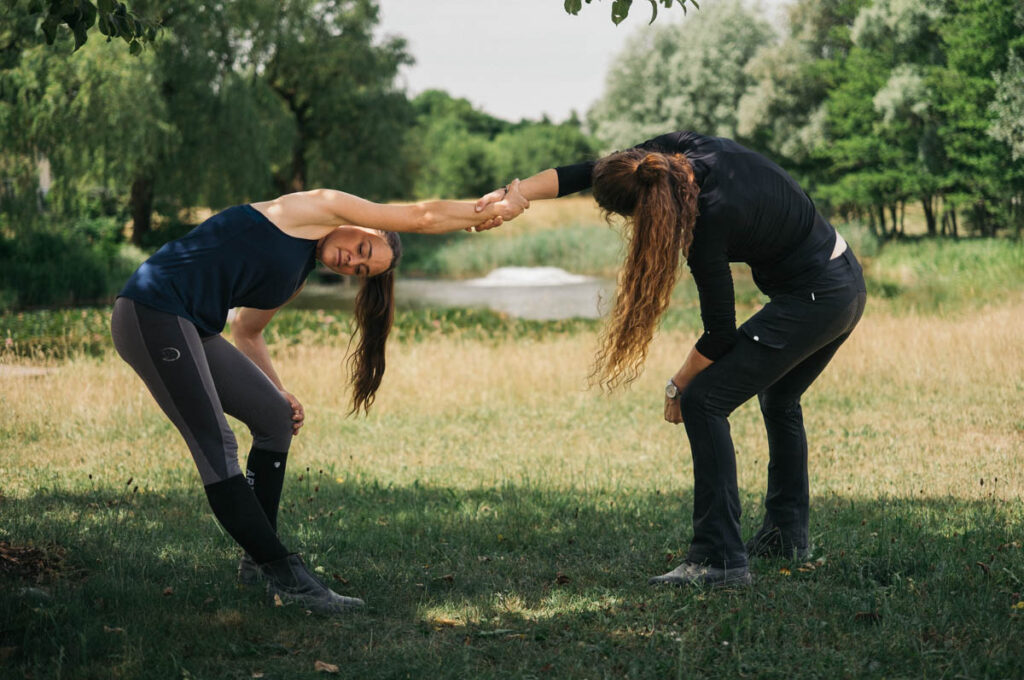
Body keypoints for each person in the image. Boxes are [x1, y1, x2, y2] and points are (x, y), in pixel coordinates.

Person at [110, 183, 529, 613]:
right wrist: (488, 212)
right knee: (217, 447)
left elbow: (247, 330)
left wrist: (278, 390)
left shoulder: (296, 275)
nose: (355, 261)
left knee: (274, 419)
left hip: (193, 326)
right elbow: (421, 216)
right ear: (360, 223)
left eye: (362, 270)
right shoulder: (311, 208)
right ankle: (287, 577)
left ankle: (256, 563)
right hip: (153, 310)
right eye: (364, 246)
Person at [476, 132, 866, 587]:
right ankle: (785, 537)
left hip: (816, 297)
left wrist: (678, 385)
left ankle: (719, 560)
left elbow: (720, 333)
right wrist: (515, 195)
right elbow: (592, 170)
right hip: (844, 282)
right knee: (778, 399)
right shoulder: (681, 152)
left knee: (705, 400)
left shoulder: (707, 221)